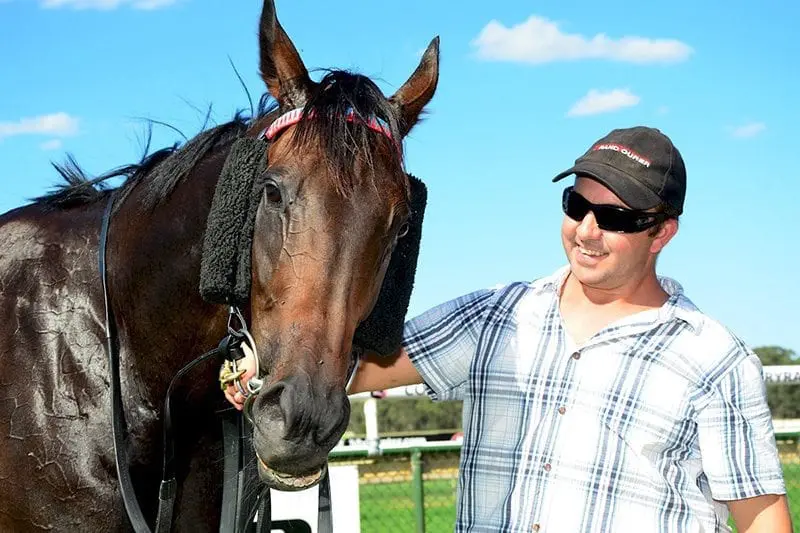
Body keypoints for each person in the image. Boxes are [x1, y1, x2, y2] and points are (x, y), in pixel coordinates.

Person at [225, 126, 792, 532]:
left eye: (616, 218)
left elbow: (761, 519)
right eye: (576, 205)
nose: (587, 231)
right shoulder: (497, 316)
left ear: (662, 233)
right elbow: (356, 368)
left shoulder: (715, 359)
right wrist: (256, 369)